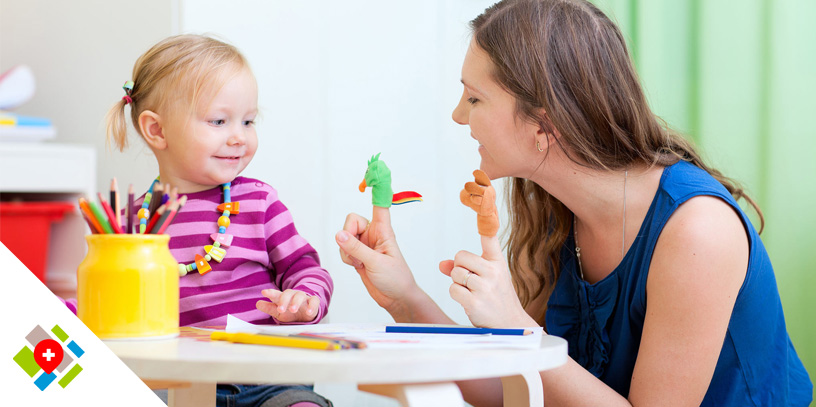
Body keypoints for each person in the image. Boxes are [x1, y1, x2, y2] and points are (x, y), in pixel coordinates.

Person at [334, 1, 813, 406]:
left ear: (545, 123)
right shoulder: (552, 211)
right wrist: (405, 296)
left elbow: (528, 357)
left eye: (475, 99)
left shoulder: (698, 231)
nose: (459, 116)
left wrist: (519, 328)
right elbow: (511, 390)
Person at [97, 34, 333, 407]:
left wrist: (305, 299)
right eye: (219, 121)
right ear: (157, 130)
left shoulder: (259, 201)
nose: (239, 137)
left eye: (249, 121)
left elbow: (305, 267)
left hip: (268, 380)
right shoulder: (133, 224)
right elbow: (111, 300)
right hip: (175, 385)